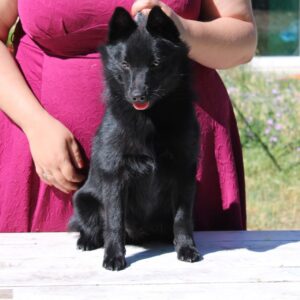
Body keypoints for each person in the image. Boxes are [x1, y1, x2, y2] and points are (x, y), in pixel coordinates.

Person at [0, 0, 257, 232]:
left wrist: (182, 30)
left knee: (185, 282)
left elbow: (243, 39)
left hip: (175, 164)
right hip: (48, 164)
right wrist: (34, 124)